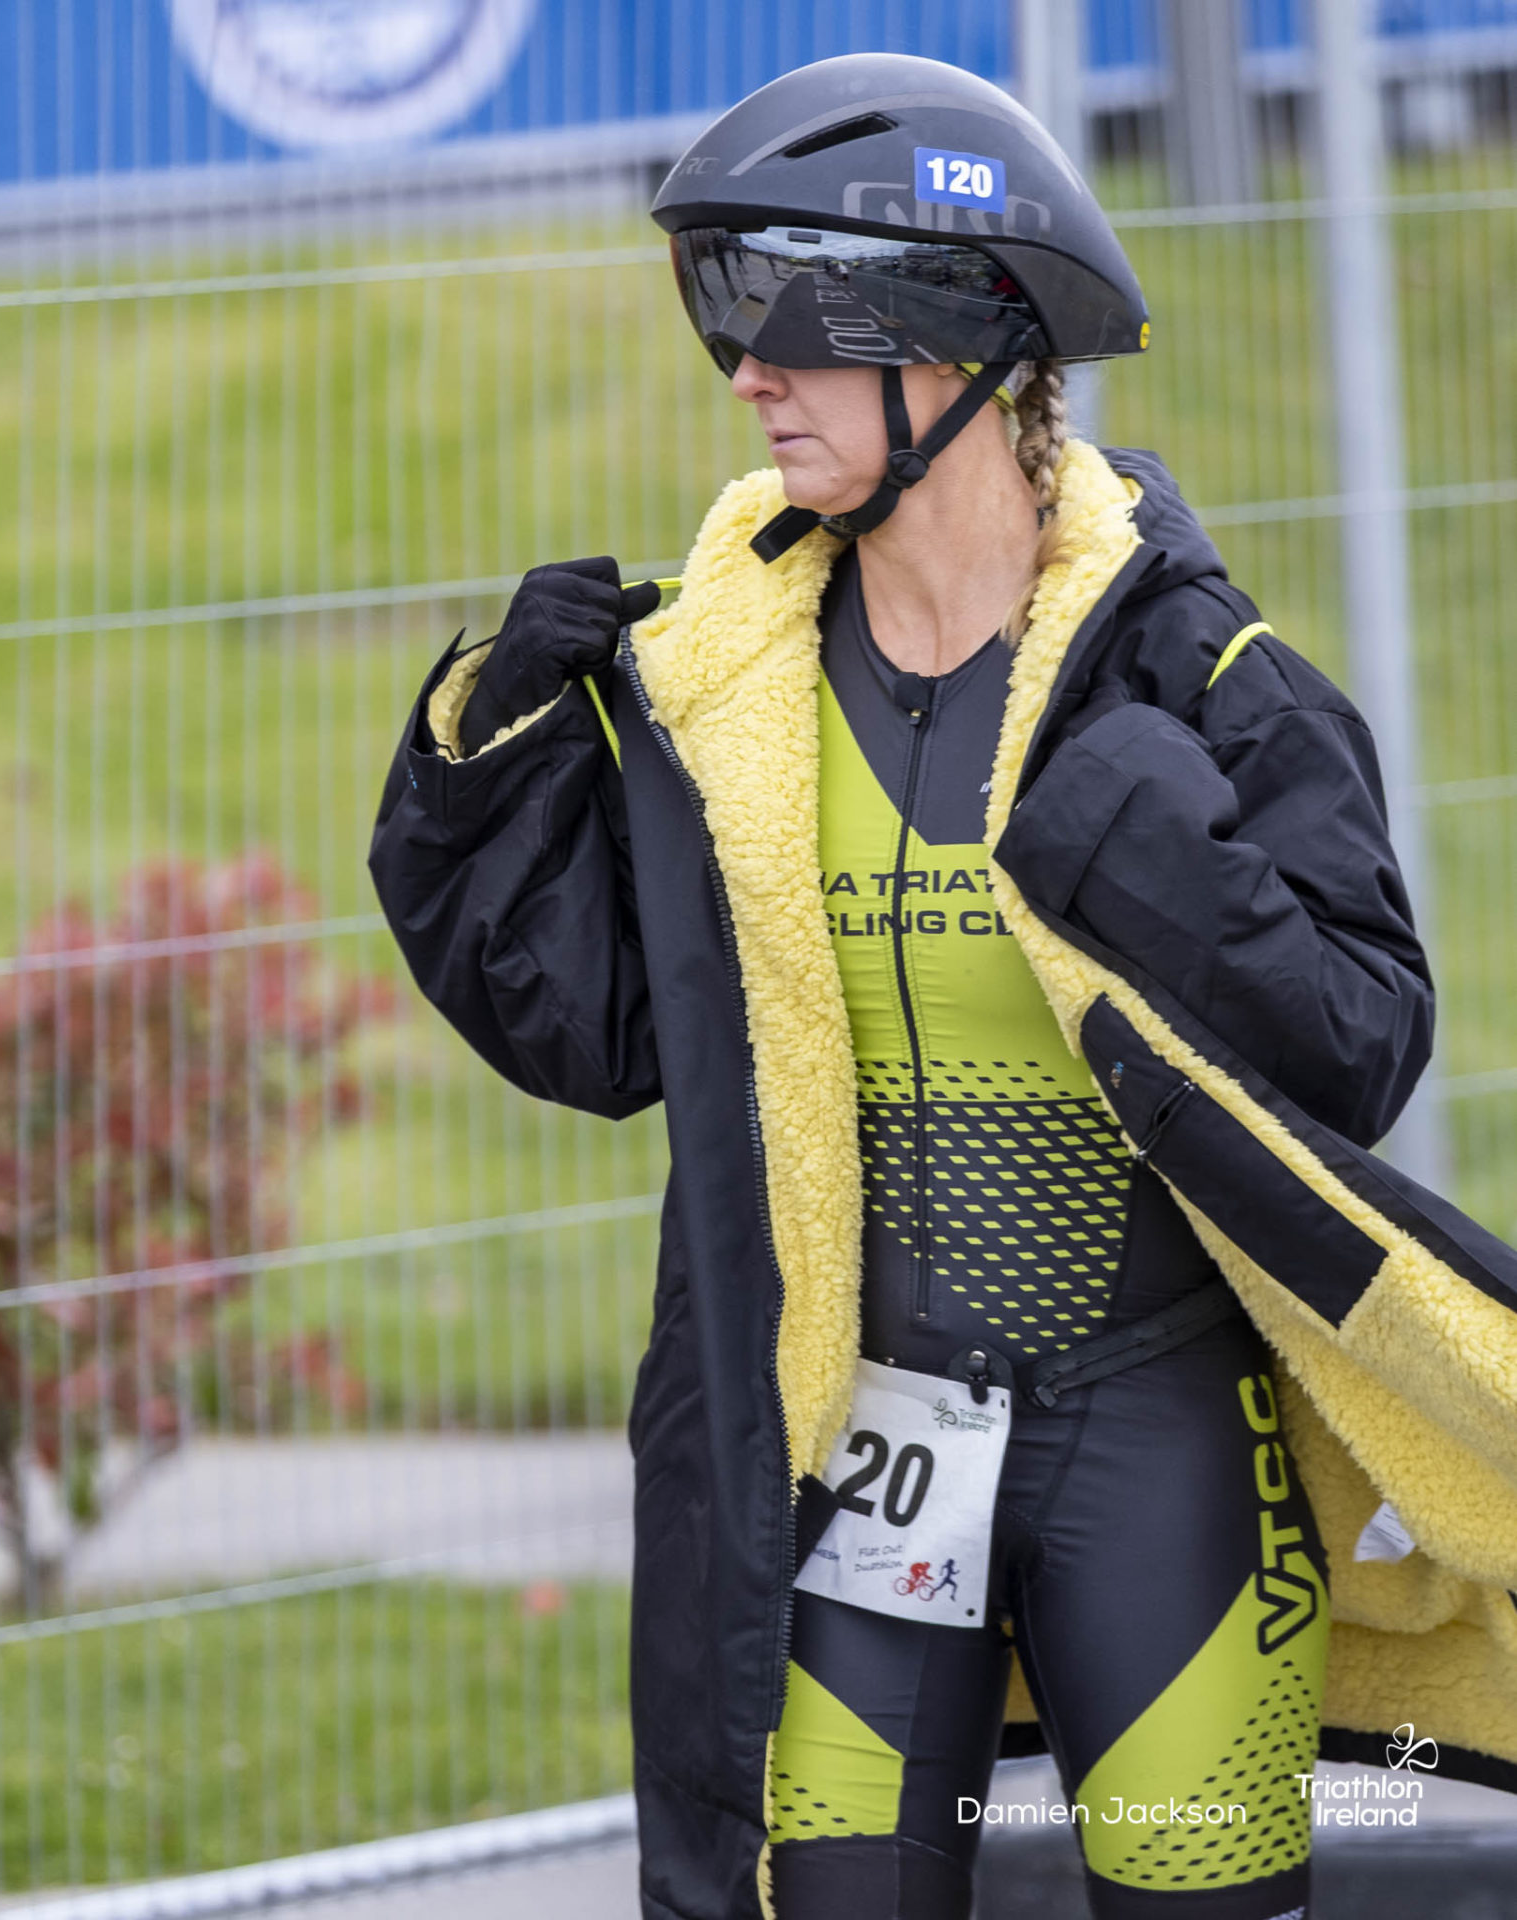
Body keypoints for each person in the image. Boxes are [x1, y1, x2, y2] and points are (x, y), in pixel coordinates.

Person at [370, 51, 1517, 1920]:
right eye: (720, 312)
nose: (745, 374)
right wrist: (480, 772)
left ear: (963, 335)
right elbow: (592, 1034)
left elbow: (1360, 1039)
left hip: (1158, 1444)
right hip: (849, 1456)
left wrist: (1137, 830)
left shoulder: (1190, 676)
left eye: (784, 314)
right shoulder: (724, 691)